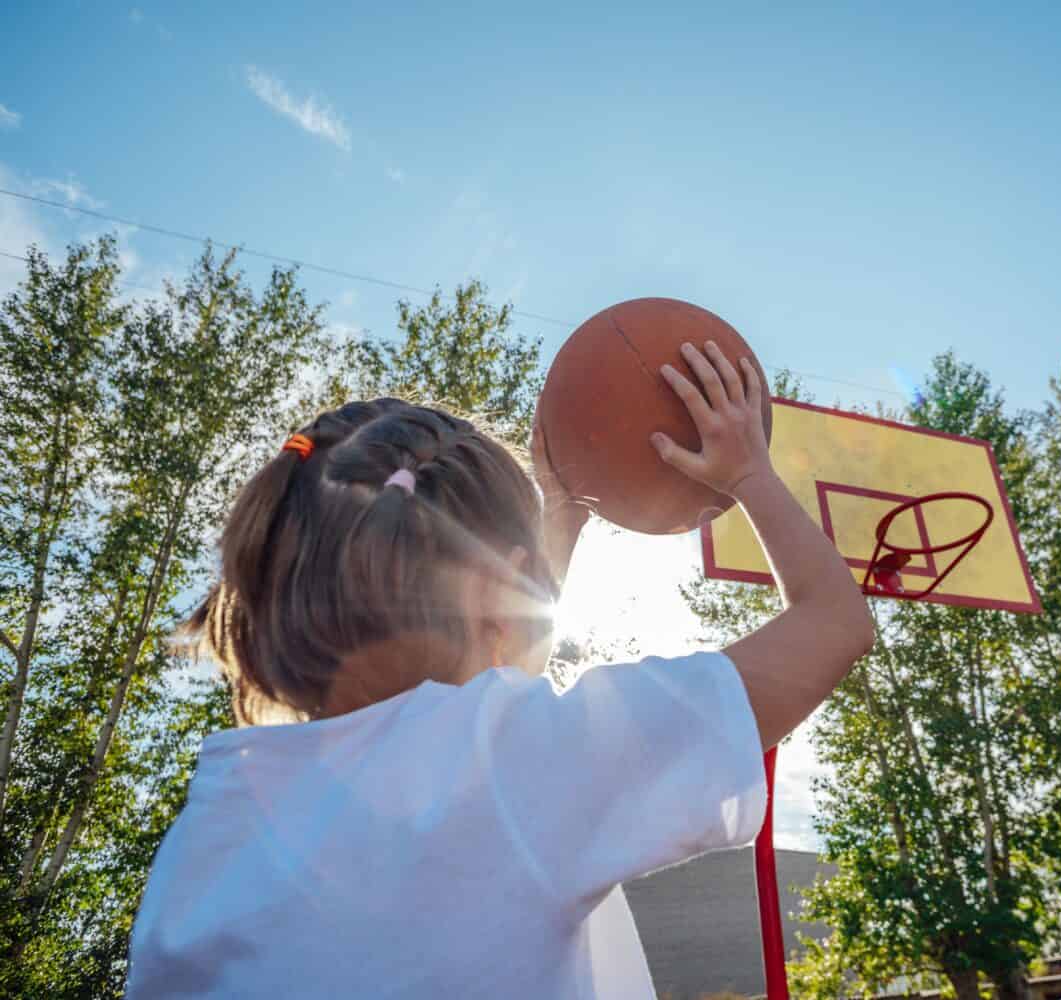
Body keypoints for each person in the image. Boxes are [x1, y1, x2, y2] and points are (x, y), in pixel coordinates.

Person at [126, 341, 875, 997]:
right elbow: (834, 626)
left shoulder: (212, 830)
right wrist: (750, 472)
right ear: (496, 587)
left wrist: (556, 512)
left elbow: (490, 707)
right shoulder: (516, 769)